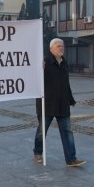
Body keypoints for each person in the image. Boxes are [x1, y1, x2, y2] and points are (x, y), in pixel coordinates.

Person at [33, 38, 86, 167]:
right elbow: (34, 78)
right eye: (58, 46)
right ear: (51, 49)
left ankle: (71, 159)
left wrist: (71, 99)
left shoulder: (64, 63)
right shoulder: (44, 62)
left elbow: (65, 84)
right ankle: (38, 152)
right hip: (47, 104)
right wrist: (38, 68)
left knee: (67, 132)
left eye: (62, 46)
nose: (61, 48)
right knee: (42, 131)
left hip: (62, 105)